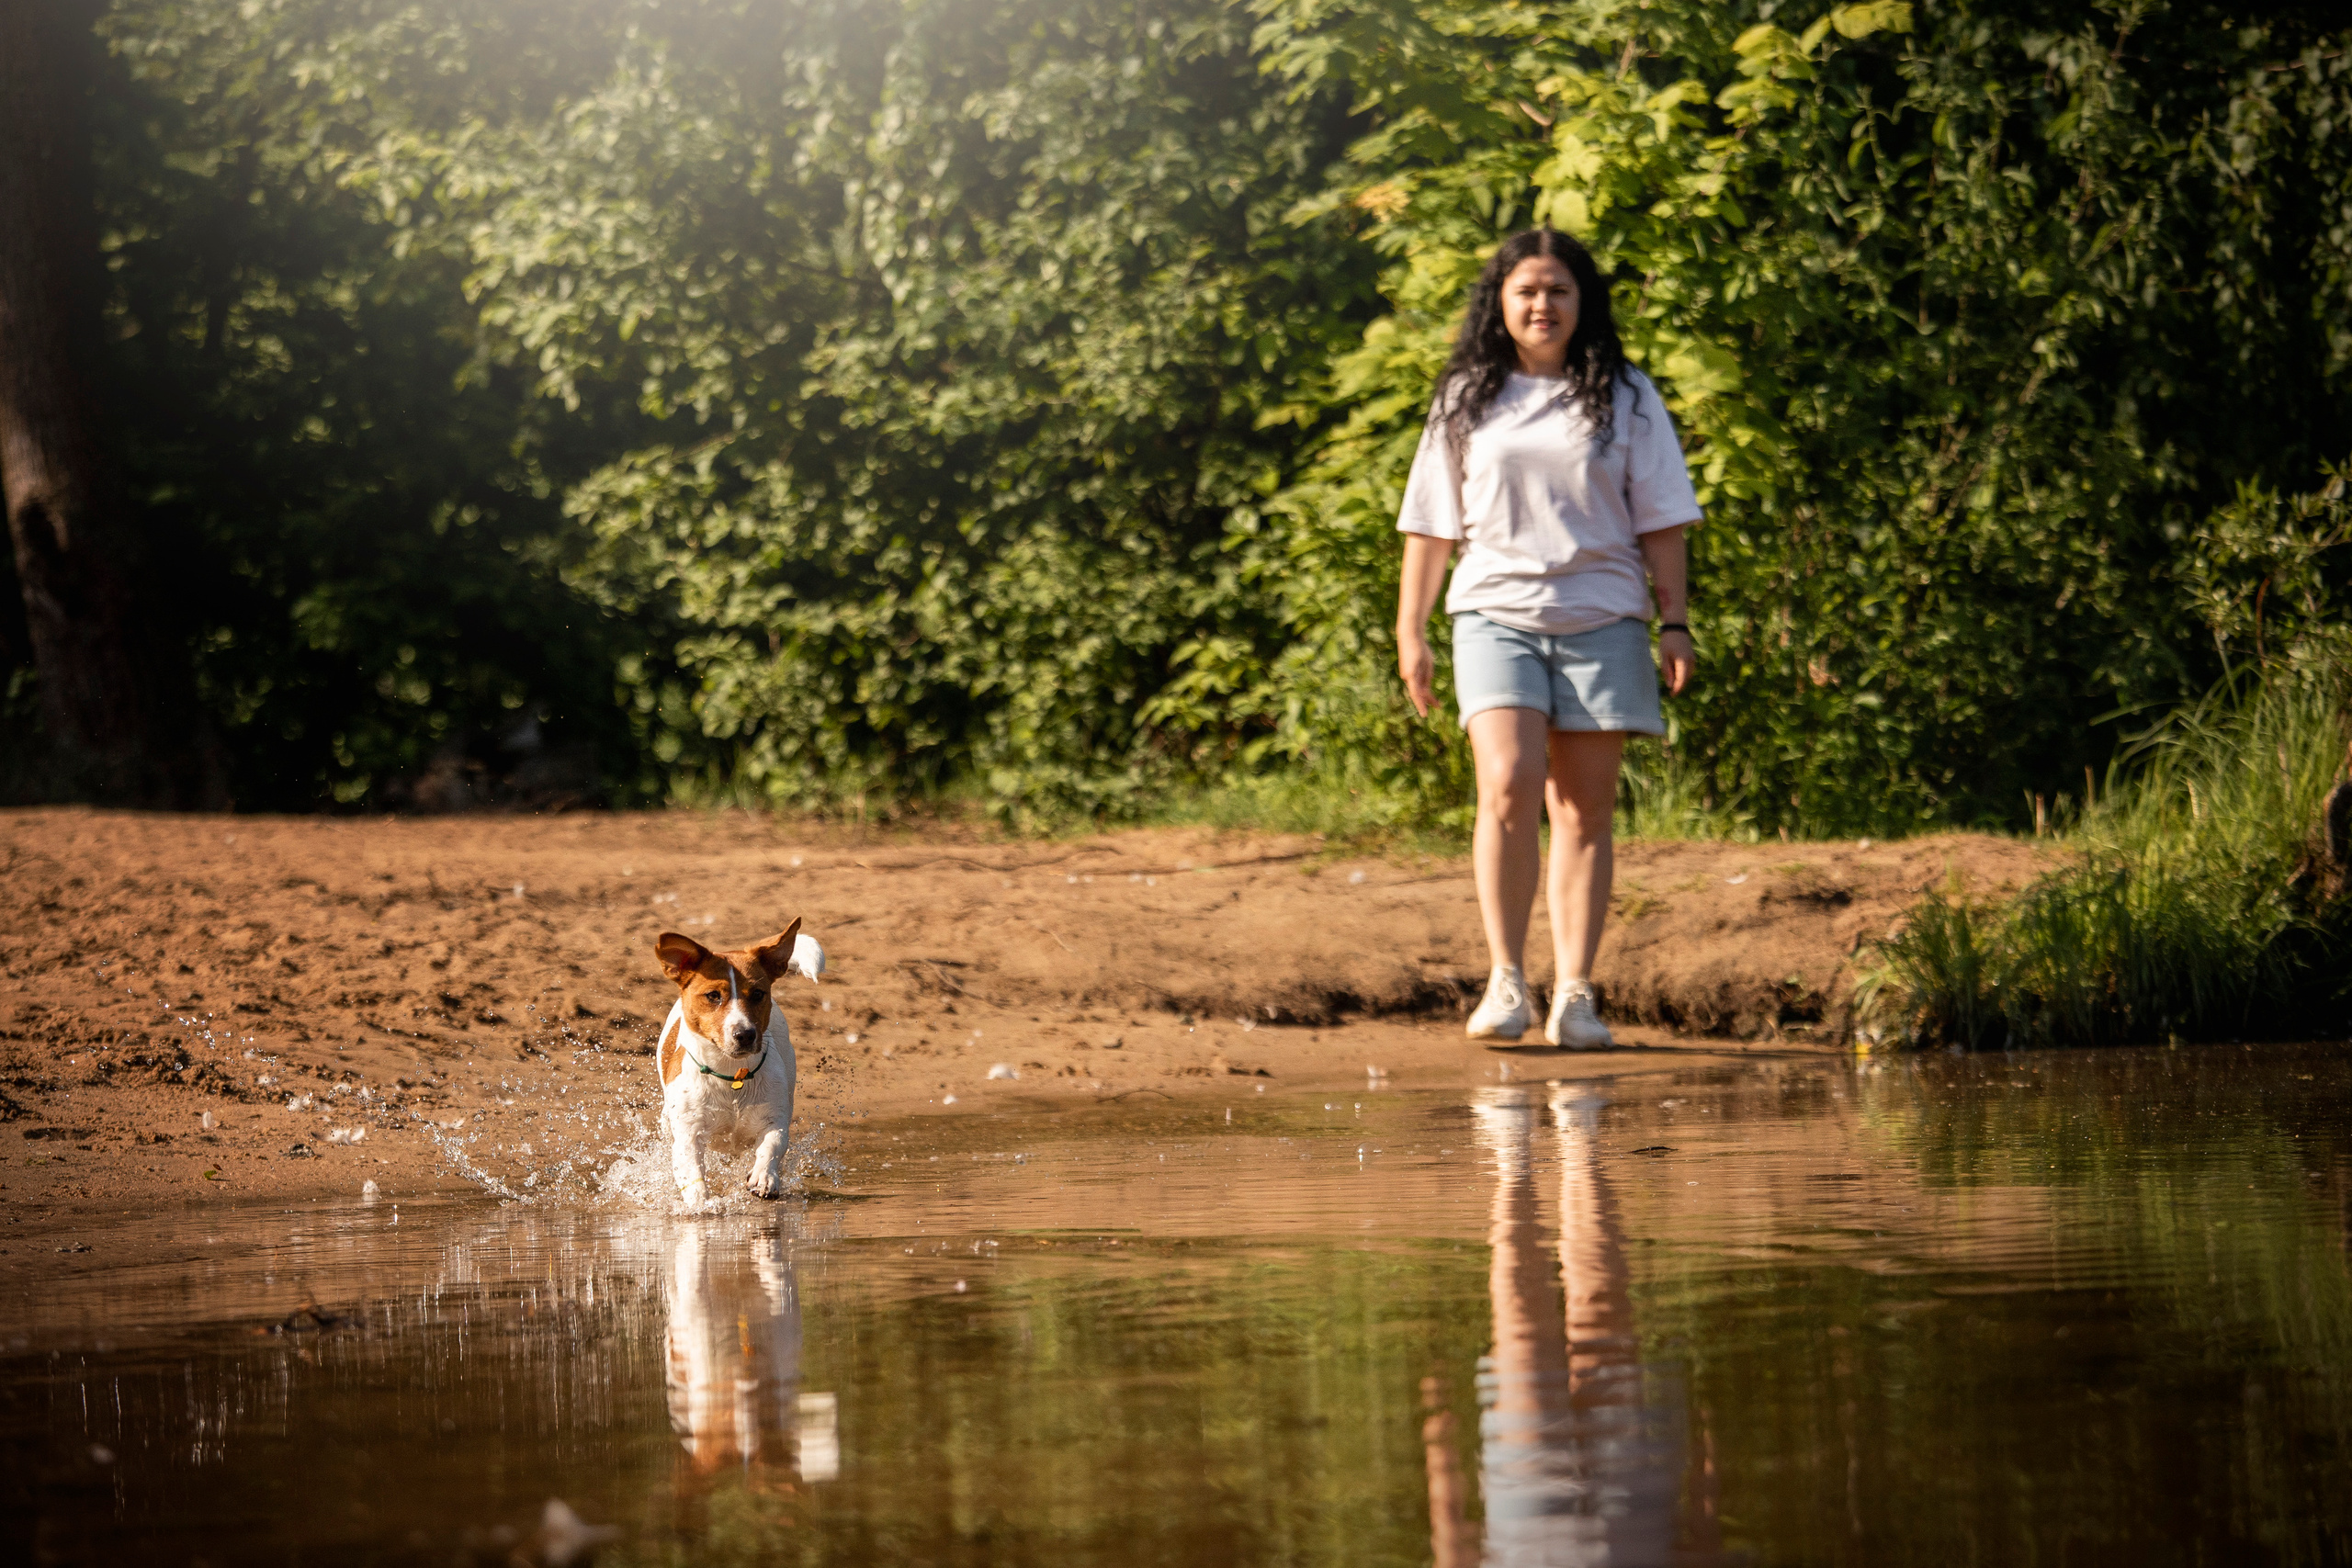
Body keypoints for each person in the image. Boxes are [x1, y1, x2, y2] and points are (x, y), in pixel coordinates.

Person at [1395, 228, 1701, 1048]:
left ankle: (1574, 993)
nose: (1542, 305)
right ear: (1500, 301)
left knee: (1584, 808)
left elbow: (1663, 520)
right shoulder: (1466, 396)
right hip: (1493, 611)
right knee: (1508, 781)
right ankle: (1505, 980)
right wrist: (1411, 632)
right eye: (1527, 290)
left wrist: (1675, 623)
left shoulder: (1627, 395)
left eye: (1558, 290)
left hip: (1604, 614)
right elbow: (1429, 525)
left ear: (1581, 303)